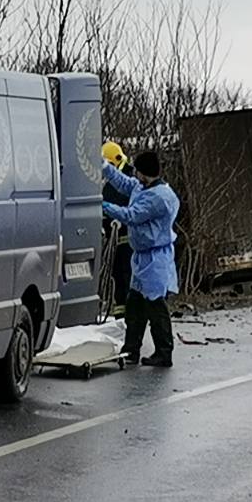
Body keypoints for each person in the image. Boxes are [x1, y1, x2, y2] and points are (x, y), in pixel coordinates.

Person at [102, 150, 181, 368]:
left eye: (136, 171)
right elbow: (125, 183)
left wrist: (103, 205)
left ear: (144, 173)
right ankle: (131, 349)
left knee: (156, 307)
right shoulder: (144, 187)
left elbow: (131, 215)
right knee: (135, 306)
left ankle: (164, 352)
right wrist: (104, 167)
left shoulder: (159, 198)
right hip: (142, 258)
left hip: (155, 259)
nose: (134, 175)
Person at [101, 142, 133, 316]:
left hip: (128, 242)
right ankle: (121, 312)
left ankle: (130, 315)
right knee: (118, 278)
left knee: (127, 278)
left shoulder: (129, 181)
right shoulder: (111, 183)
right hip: (115, 242)